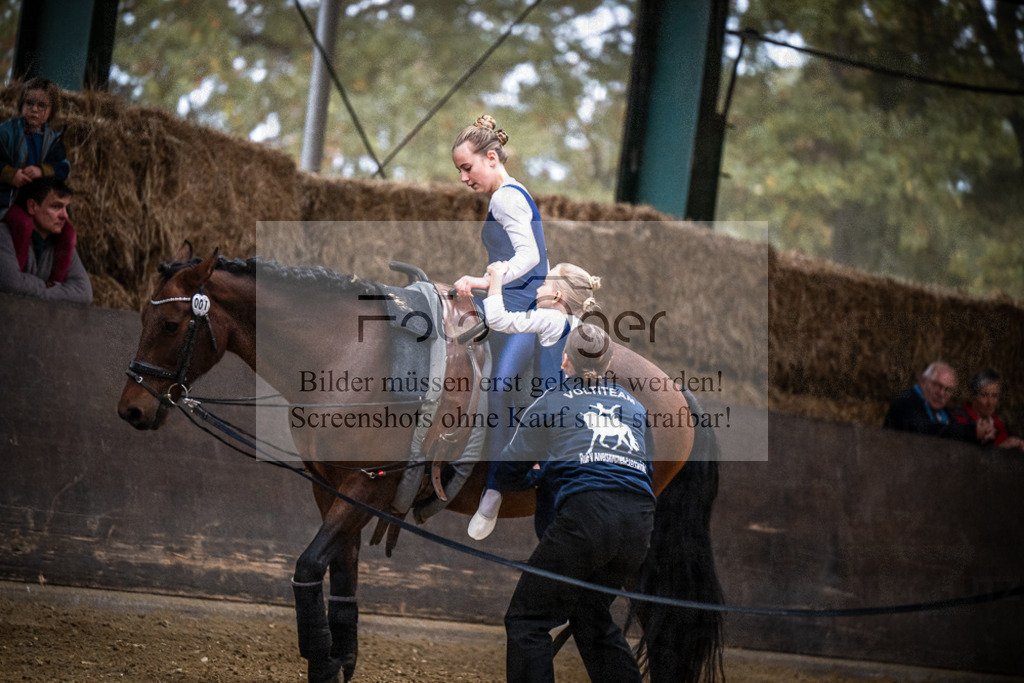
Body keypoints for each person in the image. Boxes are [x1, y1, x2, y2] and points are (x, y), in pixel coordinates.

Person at [494, 323, 654, 683]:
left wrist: (539, 475)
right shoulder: (636, 407)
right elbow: (646, 469)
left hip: (587, 520)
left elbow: (507, 471)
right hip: (639, 526)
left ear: (564, 360)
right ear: (609, 363)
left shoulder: (549, 402)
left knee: (527, 621)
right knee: (590, 614)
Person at [450, 114, 551, 537]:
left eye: (467, 168)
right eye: (459, 171)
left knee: (500, 386)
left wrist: (484, 278)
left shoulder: (506, 198)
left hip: (524, 308)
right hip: (506, 301)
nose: (463, 178)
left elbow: (529, 258)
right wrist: (483, 282)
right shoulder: (506, 196)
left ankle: (494, 488)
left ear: (491, 157)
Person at [467, 260, 602, 540]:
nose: (537, 289)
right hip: (569, 428)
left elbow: (498, 320)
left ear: (556, 297)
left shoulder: (552, 319)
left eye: (543, 284)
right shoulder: (580, 328)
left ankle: (494, 490)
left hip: (547, 421)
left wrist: (496, 277)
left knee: (515, 468)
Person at [0, 176, 91, 303]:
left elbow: (84, 293)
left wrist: (40, 291)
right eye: (56, 206)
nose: (65, 215)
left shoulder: (64, 245)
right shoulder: (4, 235)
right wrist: (47, 286)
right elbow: (10, 283)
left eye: (66, 208)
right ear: (32, 206)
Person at [0, 78, 70, 220]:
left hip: (40, 202)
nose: (35, 109)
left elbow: (63, 167)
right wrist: (10, 175)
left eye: (42, 105)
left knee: (68, 234)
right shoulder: (6, 131)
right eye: (29, 103)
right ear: (21, 105)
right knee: (23, 225)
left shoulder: (53, 138)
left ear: (52, 110)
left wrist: (42, 170)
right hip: (9, 199)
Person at [882, 361, 994, 443]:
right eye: (937, 385)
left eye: (948, 389)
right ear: (923, 381)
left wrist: (983, 435)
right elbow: (926, 431)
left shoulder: (943, 413)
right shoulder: (906, 401)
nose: (941, 393)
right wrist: (972, 432)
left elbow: (953, 432)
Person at [953, 369, 1024, 451]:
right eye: (984, 395)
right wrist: (1000, 449)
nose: (990, 402)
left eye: (994, 395)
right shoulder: (959, 421)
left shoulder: (999, 427)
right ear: (971, 397)